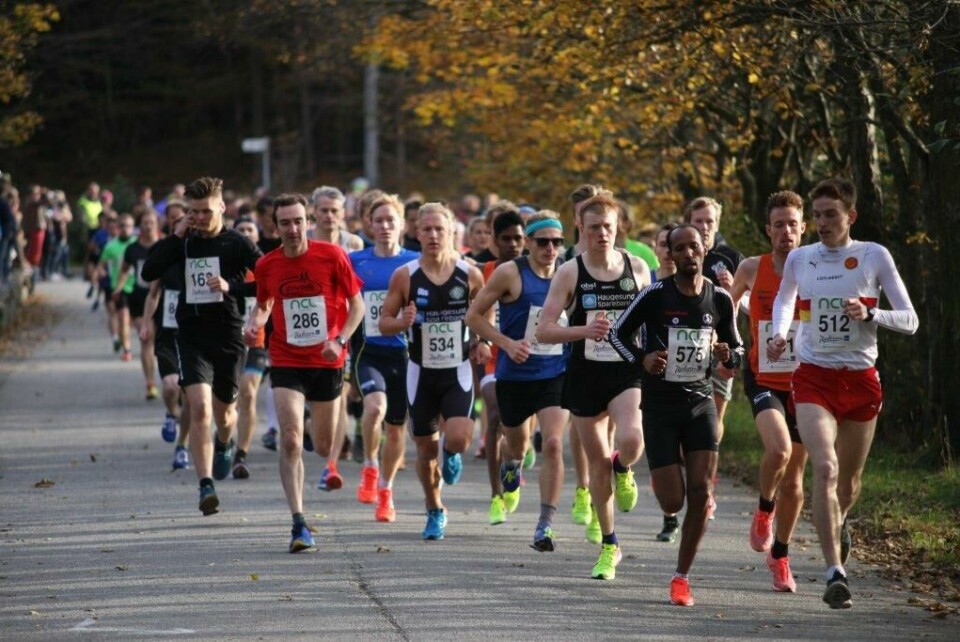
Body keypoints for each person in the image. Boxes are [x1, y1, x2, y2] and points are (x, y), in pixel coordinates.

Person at [767, 178, 918, 609]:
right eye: (816, 215)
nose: (821, 223)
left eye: (831, 214)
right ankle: (835, 572)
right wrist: (780, 335)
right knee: (826, 468)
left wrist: (871, 311)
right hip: (814, 376)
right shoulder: (801, 258)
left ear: (850, 216)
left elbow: (910, 320)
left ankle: (840, 521)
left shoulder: (874, 256)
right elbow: (784, 301)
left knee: (848, 484)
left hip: (861, 380)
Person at [610, 223, 743, 606]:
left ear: (704, 250)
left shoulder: (719, 299)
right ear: (670, 253)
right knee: (673, 502)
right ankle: (647, 472)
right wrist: (643, 359)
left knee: (701, 494)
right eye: (679, 248)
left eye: (694, 247)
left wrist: (727, 356)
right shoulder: (655, 294)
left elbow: (736, 347)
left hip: (700, 402)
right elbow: (618, 335)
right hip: (660, 407)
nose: (687, 254)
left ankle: (681, 577)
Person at [537, 193, 649, 580]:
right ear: (580, 230)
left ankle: (625, 467)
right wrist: (584, 330)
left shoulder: (637, 267)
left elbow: (650, 324)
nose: (602, 233)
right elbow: (544, 329)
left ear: (619, 228)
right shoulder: (569, 271)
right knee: (596, 463)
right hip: (585, 375)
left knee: (632, 441)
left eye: (608, 226)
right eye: (594, 227)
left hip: (626, 371)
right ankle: (610, 544)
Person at [245, 192, 364, 552]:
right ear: (275, 225)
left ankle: (312, 421)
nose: (293, 229)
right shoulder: (267, 264)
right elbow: (263, 303)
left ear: (307, 220)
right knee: (292, 440)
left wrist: (340, 340)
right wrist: (255, 324)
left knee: (324, 446)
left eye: (299, 221)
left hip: (327, 359)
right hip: (286, 358)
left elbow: (356, 305)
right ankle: (298, 523)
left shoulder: (331, 256)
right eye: (285, 222)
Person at [141, 177, 262, 516]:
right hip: (191, 336)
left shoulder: (237, 243)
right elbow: (149, 271)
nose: (199, 218)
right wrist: (177, 234)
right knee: (200, 408)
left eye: (206, 211)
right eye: (193, 212)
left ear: (222, 207)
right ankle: (205, 484)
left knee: (225, 415)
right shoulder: (183, 241)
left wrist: (231, 287)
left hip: (228, 336)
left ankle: (225, 442)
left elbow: (269, 281)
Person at [379, 202, 487, 541]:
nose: (433, 235)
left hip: (457, 370)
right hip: (420, 372)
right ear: (416, 233)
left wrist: (482, 340)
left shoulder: (469, 273)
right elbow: (382, 323)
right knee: (424, 450)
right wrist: (401, 322)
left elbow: (486, 312)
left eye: (440, 229)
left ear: (452, 232)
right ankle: (434, 508)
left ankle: (452, 454)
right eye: (426, 229)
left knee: (456, 438)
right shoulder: (405, 276)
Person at [466, 212, 570, 551]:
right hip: (515, 375)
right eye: (543, 242)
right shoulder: (510, 272)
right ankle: (510, 464)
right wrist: (506, 344)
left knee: (552, 444)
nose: (550, 248)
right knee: (517, 446)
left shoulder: (569, 273)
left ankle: (545, 524)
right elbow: (474, 316)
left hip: (555, 372)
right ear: (528, 242)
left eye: (557, 242)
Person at [728, 190, 809, 593]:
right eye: (779, 225)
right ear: (768, 230)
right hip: (763, 376)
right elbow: (725, 308)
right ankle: (764, 508)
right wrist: (729, 345)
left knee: (795, 481)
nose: (786, 232)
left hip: (807, 382)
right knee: (779, 449)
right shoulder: (751, 267)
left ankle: (780, 555)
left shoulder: (816, 269)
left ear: (804, 228)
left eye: (793, 224)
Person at [348, 193, 419, 521]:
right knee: (375, 408)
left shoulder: (415, 262)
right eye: (379, 221)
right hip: (369, 352)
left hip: (406, 355)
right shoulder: (357, 261)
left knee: (396, 429)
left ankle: (386, 491)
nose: (386, 226)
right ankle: (370, 466)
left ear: (403, 224)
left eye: (392, 220)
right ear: (369, 225)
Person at [310, 186, 365, 489]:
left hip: (343, 329)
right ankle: (315, 432)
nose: (329, 216)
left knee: (341, 397)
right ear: (314, 212)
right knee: (313, 400)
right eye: (323, 210)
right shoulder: (302, 240)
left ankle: (330, 465)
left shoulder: (352, 243)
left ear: (343, 213)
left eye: (335, 211)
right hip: (308, 328)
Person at [477, 207, 526, 525]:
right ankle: (495, 496)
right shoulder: (486, 272)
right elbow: (477, 314)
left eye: (518, 239)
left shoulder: (539, 271)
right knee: (494, 416)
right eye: (506, 239)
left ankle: (515, 461)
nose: (513, 244)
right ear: (494, 241)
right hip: (496, 358)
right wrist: (479, 341)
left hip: (532, 360)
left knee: (518, 430)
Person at [140, 201, 191, 469]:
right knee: (171, 386)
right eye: (173, 220)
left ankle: (182, 445)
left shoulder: (198, 251)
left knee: (192, 396)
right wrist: (147, 322)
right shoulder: (162, 251)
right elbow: (153, 293)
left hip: (194, 334)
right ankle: (171, 413)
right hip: (168, 333)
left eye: (183, 218)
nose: (178, 222)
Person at [649, 222, 682, 544]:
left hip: (688, 381)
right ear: (658, 249)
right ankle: (669, 516)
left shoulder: (696, 286)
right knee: (664, 452)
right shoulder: (645, 284)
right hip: (650, 379)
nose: (671, 252)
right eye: (664, 244)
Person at [232, 217, 267, 479]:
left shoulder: (265, 266)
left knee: (248, 393)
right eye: (240, 230)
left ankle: (241, 454)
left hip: (257, 340)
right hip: (227, 341)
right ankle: (225, 434)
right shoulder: (227, 264)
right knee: (227, 401)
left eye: (250, 230)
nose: (245, 234)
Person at [117, 210, 160, 395]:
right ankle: (150, 383)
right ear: (139, 226)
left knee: (161, 341)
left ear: (157, 224)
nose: (148, 226)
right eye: (145, 223)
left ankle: (173, 381)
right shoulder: (132, 249)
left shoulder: (163, 246)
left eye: (151, 222)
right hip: (139, 298)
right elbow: (124, 270)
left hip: (162, 299)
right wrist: (118, 288)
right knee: (147, 339)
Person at [101, 214, 137, 361]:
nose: (125, 229)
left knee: (134, 321)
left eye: (128, 226)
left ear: (133, 228)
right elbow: (101, 265)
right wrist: (100, 273)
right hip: (119, 286)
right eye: (122, 225)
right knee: (123, 317)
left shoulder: (137, 243)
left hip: (137, 286)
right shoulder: (111, 246)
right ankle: (127, 349)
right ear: (117, 227)